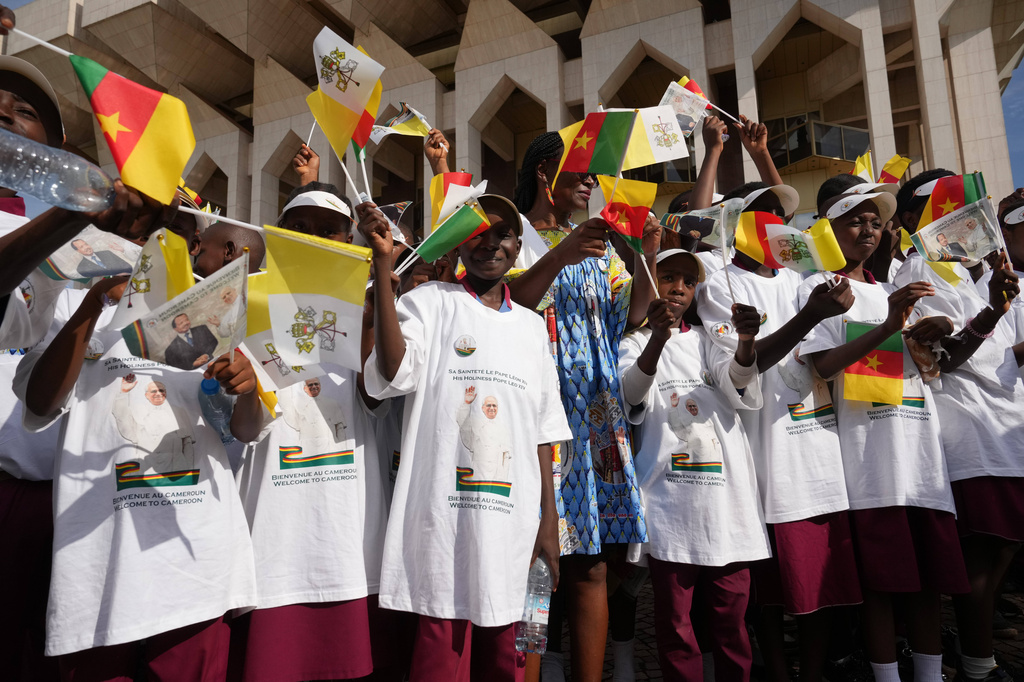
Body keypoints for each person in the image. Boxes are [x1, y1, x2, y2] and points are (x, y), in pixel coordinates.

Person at [361, 192, 569, 682]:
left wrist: (549, 521)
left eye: (503, 234)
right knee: (440, 660)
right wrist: (382, 271)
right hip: (442, 526)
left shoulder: (533, 328)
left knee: (511, 657)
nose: (490, 244)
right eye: (477, 233)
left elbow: (544, 431)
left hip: (514, 528)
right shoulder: (430, 304)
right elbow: (391, 373)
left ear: (518, 248)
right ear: (457, 246)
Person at [14, 270, 261, 680]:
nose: (145, 245)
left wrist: (249, 389)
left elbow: (247, 431)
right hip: (101, 568)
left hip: (199, 560)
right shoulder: (74, 310)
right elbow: (40, 403)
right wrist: (94, 304)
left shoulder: (217, 323)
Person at [798, 190, 970, 682]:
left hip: (920, 452)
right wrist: (891, 327)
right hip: (869, 459)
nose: (869, 230)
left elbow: (925, 366)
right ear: (829, 228)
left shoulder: (892, 284)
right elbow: (825, 365)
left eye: (875, 222)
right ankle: (886, 675)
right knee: (881, 582)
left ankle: (931, 674)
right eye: (855, 221)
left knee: (928, 582)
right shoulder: (820, 289)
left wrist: (921, 336)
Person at [506, 131, 660, 682]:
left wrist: (643, 251)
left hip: (594, 420)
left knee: (591, 563)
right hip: (534, 418)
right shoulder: (515, 237)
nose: (592, 182)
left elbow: (636, 313)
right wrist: (561, 253)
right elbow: (510, 304)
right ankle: (532, 669)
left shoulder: (599, 245)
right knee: (534, 565)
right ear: (546, 175)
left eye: (595, 174)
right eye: (581, 171)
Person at [232, 177, 398, 682]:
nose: (311, 237)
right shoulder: (245, 310)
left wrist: (382, 276)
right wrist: (242, 385)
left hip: (344, 545)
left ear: (347, 241)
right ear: (278, 237)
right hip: (274, 545)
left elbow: (379, 390)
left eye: (328, 230)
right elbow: (244, 429)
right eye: (297, 228)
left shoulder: (368, 313)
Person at [697, 181, 862, 682]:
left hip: (817, 453)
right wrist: (811, 314)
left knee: (818, 591)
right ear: (737, 223)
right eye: (761, 211)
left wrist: (826, 307)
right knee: (765, 595)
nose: (773, 220)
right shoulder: (720, 283)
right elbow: (741, 370)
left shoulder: (801, 280)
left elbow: (823, 360)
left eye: (780, 213)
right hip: (763, 461)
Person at [894, 176, 1024, 682]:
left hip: (1006, 426)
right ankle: (978, 663)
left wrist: (990, 309)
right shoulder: (921, 267)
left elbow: (1000, 355)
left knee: (1000, 553)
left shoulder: (982, 271)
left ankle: (978, 657)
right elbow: (941, 361)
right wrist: (986, 315)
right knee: (978, 557)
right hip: (965, 429)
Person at [618, 248, 767, 682]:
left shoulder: (709, 339)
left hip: (727, 507)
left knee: (730, 623)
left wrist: (745, 343)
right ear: (648, 281)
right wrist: (657, 339)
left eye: (688, 280)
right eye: (667, 277)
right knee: (677, 628)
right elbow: (631, 392)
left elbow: (737, 378)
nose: (678, 288)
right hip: (671, 507)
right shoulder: (631, 342)